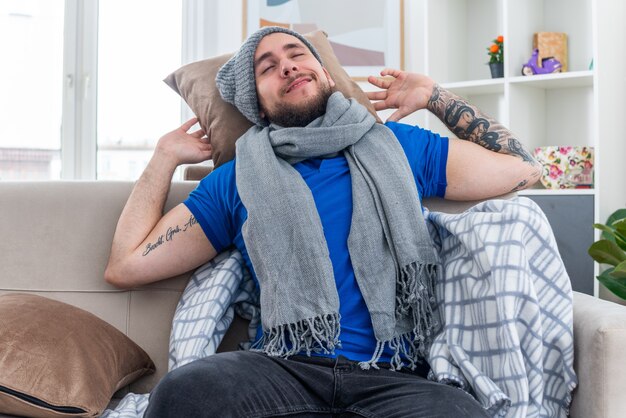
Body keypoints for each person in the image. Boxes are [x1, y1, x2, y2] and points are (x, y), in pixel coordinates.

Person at [105, 26, 541, 418]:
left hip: (392, 376)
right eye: (267, 67)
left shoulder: (397, 146)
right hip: (282, 370)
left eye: (297, 53)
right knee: (185, 392)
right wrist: (163, 157)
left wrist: (434, 97)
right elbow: (126, 266)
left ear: (325, 74)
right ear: (254, 101)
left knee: (459, 414)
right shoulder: (235, 180)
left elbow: (523, 168)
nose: (288, 66)